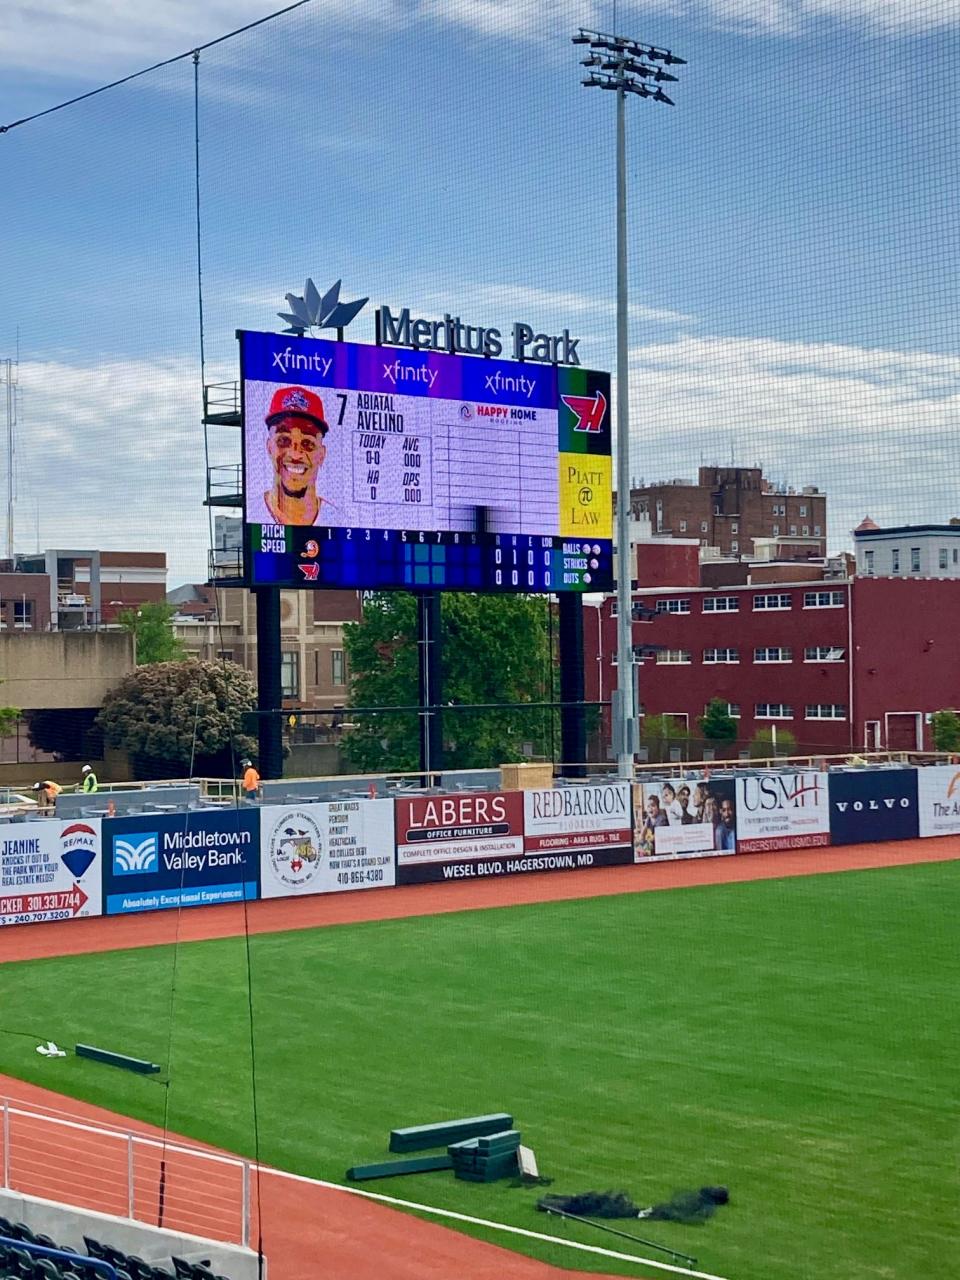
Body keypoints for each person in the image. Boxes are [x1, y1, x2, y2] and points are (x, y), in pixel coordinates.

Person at [260, 386, 330, 526]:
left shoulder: (341, 522)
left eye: (307, 443)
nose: (295, 454)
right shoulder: (251, 513)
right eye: (284, 440)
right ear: (269, 447)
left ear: (321, 455)